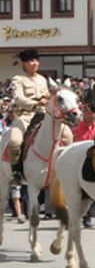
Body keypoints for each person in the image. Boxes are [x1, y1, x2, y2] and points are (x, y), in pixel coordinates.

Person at [9, 48, 50, 184]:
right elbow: (18, 98)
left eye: (37, 60)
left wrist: (47, 98)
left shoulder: (43, 79)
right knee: (14, 142)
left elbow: (47, 95)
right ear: (24, 63)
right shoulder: (18, 79)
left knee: (66, 135)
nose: (35, 63)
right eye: (31, 61)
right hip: (24, 117)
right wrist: (36, 103)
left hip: (43, 115)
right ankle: (16, 172)